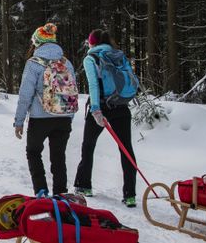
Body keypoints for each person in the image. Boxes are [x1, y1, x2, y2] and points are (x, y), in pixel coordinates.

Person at [73, 29, 140, 207]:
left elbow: (94, 85)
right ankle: (130, 194)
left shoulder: (91, 58)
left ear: (92, 43)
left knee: (88, 145)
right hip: (121, 106)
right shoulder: (118, 55)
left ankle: (83, 185)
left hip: (101, 106)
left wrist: (95, 109)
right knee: (126, 149)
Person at [13, 23, 77, 196]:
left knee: (33, 152)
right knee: (59, 157)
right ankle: (61, 194)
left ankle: (41, 191)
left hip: (40, 119)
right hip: (63, 117)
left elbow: (25, 95)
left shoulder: (34, 63)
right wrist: (68, 117)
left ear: (36, 43)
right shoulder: (66, 63)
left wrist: (19, 122)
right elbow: (72, 91)